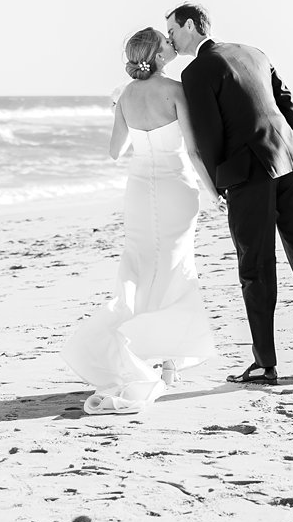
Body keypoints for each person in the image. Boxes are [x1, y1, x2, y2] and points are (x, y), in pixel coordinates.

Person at [165, 2, 293, 386]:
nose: (171, 39)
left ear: (189, 26)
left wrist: (215, 184)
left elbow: (208, 137)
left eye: (173, 31)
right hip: (288, 162)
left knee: (255, 270)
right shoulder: (254, 52)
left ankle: (264, 364)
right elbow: (286, 102)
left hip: (248, 177)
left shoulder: (196, 71)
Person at [61, 28, 219, 414]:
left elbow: (116, 151)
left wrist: (120, 110)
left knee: (139, 269)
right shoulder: (177, 90)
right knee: (175, 267)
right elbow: (195, 150)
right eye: (167, 44)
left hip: (138, 189)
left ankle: (142, 352)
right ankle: (168, 362)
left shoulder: (125, 95)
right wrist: (215, 192)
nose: (171, 45)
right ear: (160, 56)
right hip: (176, 189)